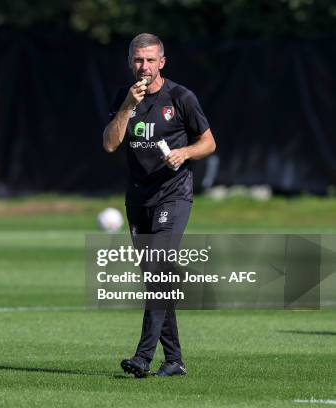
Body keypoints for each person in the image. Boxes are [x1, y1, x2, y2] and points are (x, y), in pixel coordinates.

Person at [103, 33, 216, 378]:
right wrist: (126, 107)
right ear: (130, 62)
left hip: (174, 194)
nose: (144, 67)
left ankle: (142, 356)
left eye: (151, 60)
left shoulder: (181, 97)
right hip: (138, 199)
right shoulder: (124, 98)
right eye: (138, 60)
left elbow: (209, 142)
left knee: (159, 272)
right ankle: (175, 360)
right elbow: (109, 144)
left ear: (162, 63)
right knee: (156, 279)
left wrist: (185, 152)